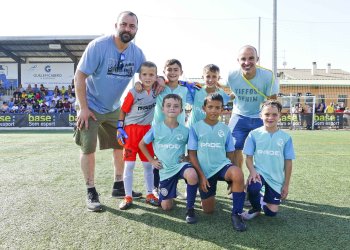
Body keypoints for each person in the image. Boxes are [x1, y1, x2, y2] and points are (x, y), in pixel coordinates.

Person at [74, 11, 157, 212]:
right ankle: (91, 190)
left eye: (132, 26)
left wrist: (159, 81)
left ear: (136, 29)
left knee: (120, 145)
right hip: (91, 106)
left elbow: (148, 74)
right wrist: (83, 108)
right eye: (124, 24)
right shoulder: (99, 46)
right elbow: (80, 75)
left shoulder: (137, 53)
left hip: (114, 108)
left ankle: (119, 185)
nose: (127, 29)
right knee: (88, 149)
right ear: (116, 25)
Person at [188, 93, 247, 232]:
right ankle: (209, 196)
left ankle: (236, 214)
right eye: (210, 107)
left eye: (217, 107)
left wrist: (232, 180)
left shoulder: (225, 129)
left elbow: (230, 153)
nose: (214, 110)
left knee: (237, 173)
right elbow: (192, 154)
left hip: (222, 167)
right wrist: (201, 176)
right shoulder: (195, 128)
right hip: (205, 172)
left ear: (222, 109)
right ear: (204, 108)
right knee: (208, 210)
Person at [139, 94, 199, 223]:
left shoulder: (185, 130)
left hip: (180, 166)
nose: (172, 108)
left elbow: (194, 149)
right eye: (168, 105)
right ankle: (167, 193)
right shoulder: (156, 128)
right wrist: (152, 161)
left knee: (192, 175)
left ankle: (190, 209)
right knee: (166, 207)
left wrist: (188, 157)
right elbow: (142, 144)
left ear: (181, 110)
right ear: (162, 109)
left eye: (176, 106)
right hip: (165, 170)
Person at [226, 45, 279, 169]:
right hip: (239, 115)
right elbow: (229, 91)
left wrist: (269, 119)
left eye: (251, 58)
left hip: (259, 116)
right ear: (237, 60)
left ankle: (258, 180)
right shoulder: (231, 75)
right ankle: (236, 182)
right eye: (243, 59)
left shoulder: (268, 75)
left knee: (263, 150)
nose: (247, 62)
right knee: (232, 148)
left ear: (257, 59)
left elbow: (272, 99)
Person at [241, 100, 295, 220]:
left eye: (274, 114)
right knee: (253, 186)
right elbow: (248, 158)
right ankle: (255, 208)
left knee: (271, 213)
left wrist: (286, 185)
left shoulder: (286, 138)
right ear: (261, 116)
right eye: (267, 114)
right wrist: (253, 172)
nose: (270, 118)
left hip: (276, 179)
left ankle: (263, 199)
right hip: (260, 174)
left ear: (280, 116)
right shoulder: (254, 134)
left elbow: (288, 162)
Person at [116, 61, 159, 210]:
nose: (148, 77)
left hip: (147, 132)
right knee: (130, 165)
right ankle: (128, 196)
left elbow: (167, 80)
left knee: (148, 165)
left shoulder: (157, 89)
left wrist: (161, 80)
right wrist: (119, 127)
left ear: (156, 76)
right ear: (140, 76)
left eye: (151, 74)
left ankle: (150, 194)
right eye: (145, 74)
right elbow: (123, 110)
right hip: (131, 132)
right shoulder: (134, 91)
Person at [151, 59, 195, 199]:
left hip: (179, 130)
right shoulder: (158, 86)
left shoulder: (184, 89)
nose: (172, 72)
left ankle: (174, 188)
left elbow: (197, 99)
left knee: (178, 158)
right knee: (159, 158)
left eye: (176, 70)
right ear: (164, 72)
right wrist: (158, 79)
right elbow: (147, 80)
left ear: (181, 72)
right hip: (160, 129)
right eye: (169, 69)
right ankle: (156, 188)